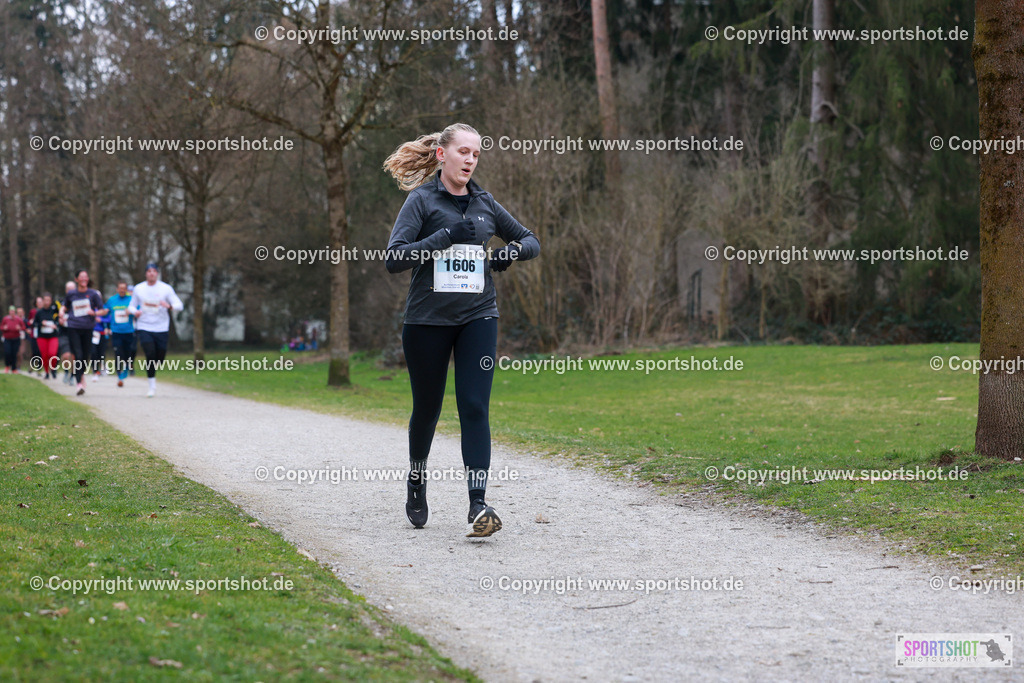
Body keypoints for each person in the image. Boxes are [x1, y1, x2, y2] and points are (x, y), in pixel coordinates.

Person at [383, 122, 540, 537]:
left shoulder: (485, 203)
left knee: (473, 406)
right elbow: (395, 258)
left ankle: (478, 504)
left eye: (476, 154)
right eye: (464, 152)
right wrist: (446, 235)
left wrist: (511, 251)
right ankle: (417, 481)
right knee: (428, 410)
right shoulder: (421, 201)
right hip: (427, 321)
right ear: (442, 155)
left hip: (478, 316)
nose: (470, 160)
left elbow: (531, 240)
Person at [128, 263, 183, 397]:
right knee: (150, 353)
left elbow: (179, 305)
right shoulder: (139, 288)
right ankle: (151, 385)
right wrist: (135, 312)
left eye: (154, 271)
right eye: (149, 271)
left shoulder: (166, 288)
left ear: (157, 273)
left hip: (161, 327)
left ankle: (153, 371)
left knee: (160, 356)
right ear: (146, 273)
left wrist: (169, 306)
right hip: (144, 326)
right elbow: (131, 306)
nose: (151, 273)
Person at [61, 270, 107, 395]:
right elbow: (65, 307)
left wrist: (95, 313)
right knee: (78, 355)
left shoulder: (93, 294)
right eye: (81, 277)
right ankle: (79, 383)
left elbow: (103, 311)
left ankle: (81, 376)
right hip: (73, 327)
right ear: (76, 279)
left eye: (85, 277)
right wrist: (61, 313)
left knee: (85, 357)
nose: (84, 279)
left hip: (87, 328)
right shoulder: (71, 294)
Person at [106, 281, 136, 387]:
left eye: (124, 288)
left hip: (128, 331)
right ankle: (119, 375)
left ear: (126, 290)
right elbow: (105, 311)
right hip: (116, 332)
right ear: (117, 289)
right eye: (120, 288)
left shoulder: (131, 300)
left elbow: (138, 311)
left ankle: (127, 368)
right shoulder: (112, 300)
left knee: (128, 353)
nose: (122, 290)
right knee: (118, 353)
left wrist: (132, 311)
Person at [34, 293, 61, 379]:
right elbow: (35, 323)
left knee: (52, 354)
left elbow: (58, 320)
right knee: (44, 355)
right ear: (42, 301)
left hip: (53, 336)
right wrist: (41, 324)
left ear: (51, 301)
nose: (46, 302)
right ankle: (46, 372)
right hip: (42, 337)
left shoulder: (54, 311)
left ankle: (53, 369)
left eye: (48, 300)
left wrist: (55, 325)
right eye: (45, 300)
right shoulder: (39, 312)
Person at [1, 305, 27, 373]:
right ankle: (7, 366)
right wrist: (4, 328)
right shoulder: (5, 319)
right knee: (7, 352)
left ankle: (14, 368)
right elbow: (1, 327)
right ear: (9, 312)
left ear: (14, 312)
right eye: (10, 311)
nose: (12, 312)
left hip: (16, 339)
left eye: (13, 311)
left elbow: (24, 327)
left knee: (14, 354)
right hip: (7, 339)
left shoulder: (18, 319)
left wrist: (20, 328)